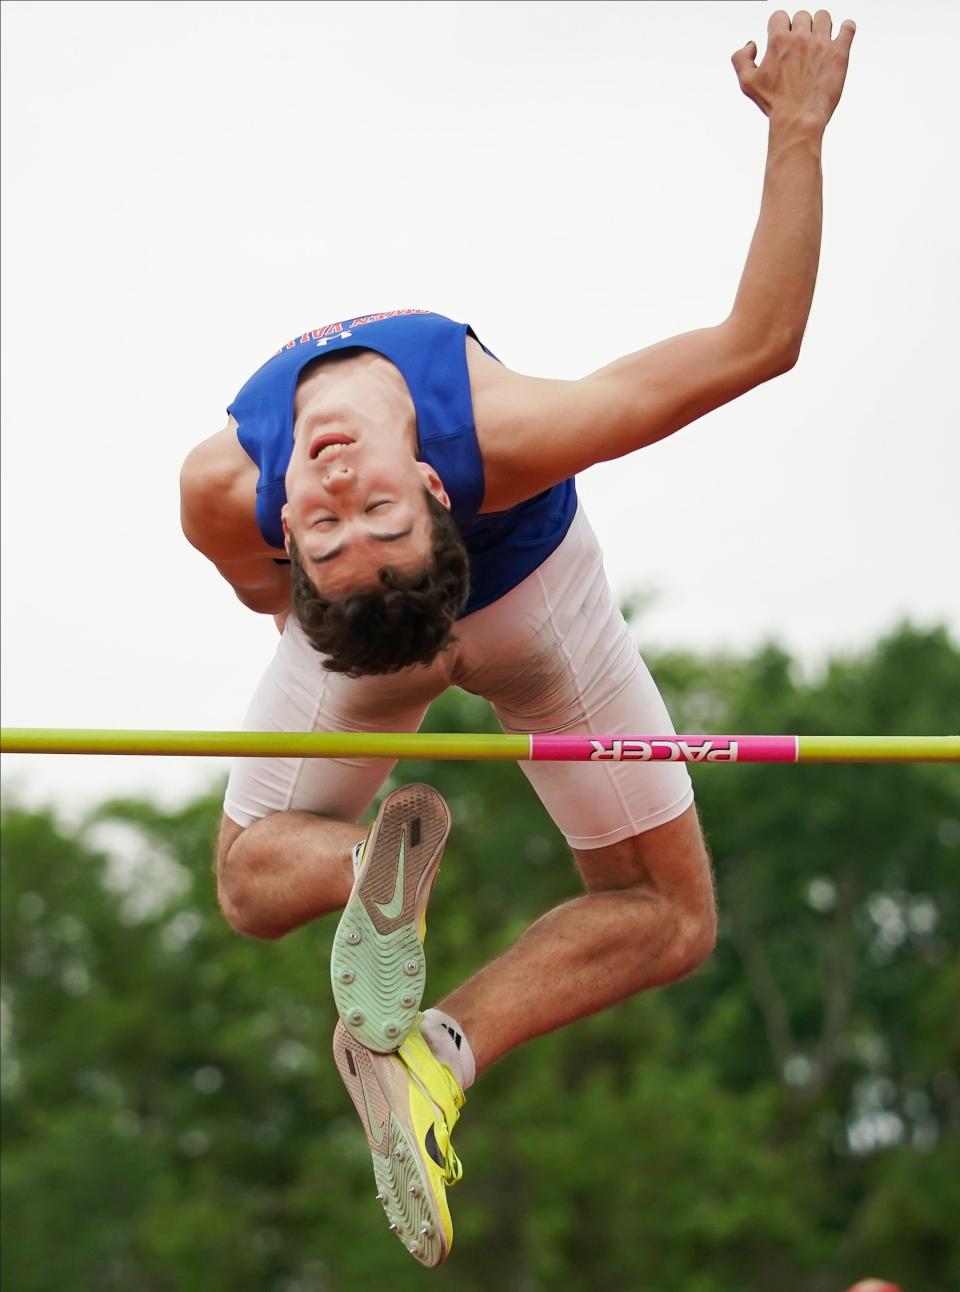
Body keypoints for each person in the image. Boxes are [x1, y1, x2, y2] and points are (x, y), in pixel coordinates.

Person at [180, 10, 855, 1267]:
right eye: (332, 520)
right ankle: (437, 1054)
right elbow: (754, 341)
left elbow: (265, 594)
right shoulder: (455, 442)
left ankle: (364, 871)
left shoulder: (229, 490)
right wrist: (802, 131)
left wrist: (800, 130)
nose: (332, 488)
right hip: (440, 626)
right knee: (661, 911)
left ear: (439, 489)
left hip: (446, 618)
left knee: (250, 866)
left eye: (357, 508)